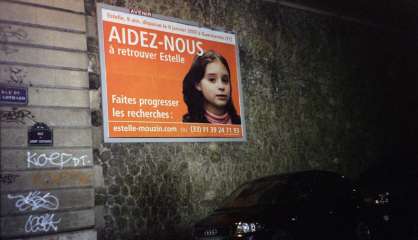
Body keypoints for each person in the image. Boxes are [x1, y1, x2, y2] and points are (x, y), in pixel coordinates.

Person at [182, 50, 241, 124]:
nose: (221, 86)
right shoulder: (189, 124)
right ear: (198, 84)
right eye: (212, 79)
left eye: (225, 80)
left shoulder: (240, 123)